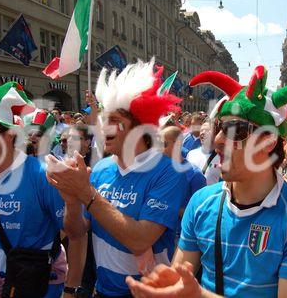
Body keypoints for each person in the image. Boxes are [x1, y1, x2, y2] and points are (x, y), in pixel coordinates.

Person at [127, 66, 287, 298]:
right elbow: (179, 282)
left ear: (269, 142)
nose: (218, 140)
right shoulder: (202, 202)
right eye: (219, 128)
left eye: (235, 130)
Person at [46, 60, 187, 297]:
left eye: (114, 120)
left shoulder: (168, 171)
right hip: (102, 291)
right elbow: (77, 233)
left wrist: (86, 194)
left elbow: (141, 240)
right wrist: (71, 200)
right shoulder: (100, 169)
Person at [0, 82, 84, 298]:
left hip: (42, 287)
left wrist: (71, 289)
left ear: (10, 134)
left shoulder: (44, 176)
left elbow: (76, 235)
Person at [160, 126, 206, 240]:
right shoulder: (157, 171)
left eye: (163, 144)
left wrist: (167, 206)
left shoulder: (195, 175)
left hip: (179, 237)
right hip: (156, 234)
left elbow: (200, 213)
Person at [186, 120, 221, 185]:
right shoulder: (191, 154)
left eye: (207, 130)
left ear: (216, 134)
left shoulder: (222, 157)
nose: (203, 133)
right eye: (201, 130)